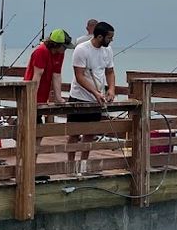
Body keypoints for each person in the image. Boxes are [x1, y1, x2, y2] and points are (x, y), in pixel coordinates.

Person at [67, 21, 116, 175]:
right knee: (74, 134)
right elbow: (79, 76)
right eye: (109, 37)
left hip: (97, 99)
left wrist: (112, 89)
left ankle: (84, 166)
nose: (111, 40)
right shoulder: (82, 49)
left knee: (90, 134)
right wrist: (95, 92)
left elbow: (110, 71)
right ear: (100, 36)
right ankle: (70, 167)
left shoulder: (108, 51)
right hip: (79, 97)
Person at [24, 29, 71, 106]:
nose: (65, 49)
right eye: (64, 47)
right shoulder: (41, 51)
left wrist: (58, 98)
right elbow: (37, 77)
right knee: (32, 117)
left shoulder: (60, 53)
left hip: (44, 95)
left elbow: (57, 75)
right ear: (56, 45)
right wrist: (32, 98)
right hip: (32, 92)